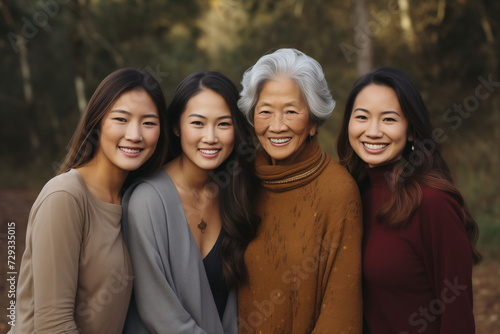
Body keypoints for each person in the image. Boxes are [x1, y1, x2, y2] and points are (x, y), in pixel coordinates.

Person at [9, 68, 168, 334]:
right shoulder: (66, 197)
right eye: (121, 119)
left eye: (149, 123)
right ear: (97, 123)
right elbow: (53, 326)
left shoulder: (135, 200)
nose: (135, 134)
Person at [337, 66, 482, 333]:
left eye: (389, 119)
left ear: (411, 130)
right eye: (362, 117)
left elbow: (457, 313)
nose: (372, 131)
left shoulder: (433, 203)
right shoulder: (351, 197)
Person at [121, 71, 261, 333]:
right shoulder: (147, 200)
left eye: (223, 124)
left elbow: (236, 304)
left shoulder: (235, 193)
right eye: (197, 123)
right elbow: (158, 312)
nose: (210, 137)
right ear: (176, 127)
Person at [236, 48, 363, 333]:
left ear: (314, 122)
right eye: (265, 111)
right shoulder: (241, 182)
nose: (276, 126)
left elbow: (340, 311)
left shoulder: (339, 191)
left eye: (291, 112)